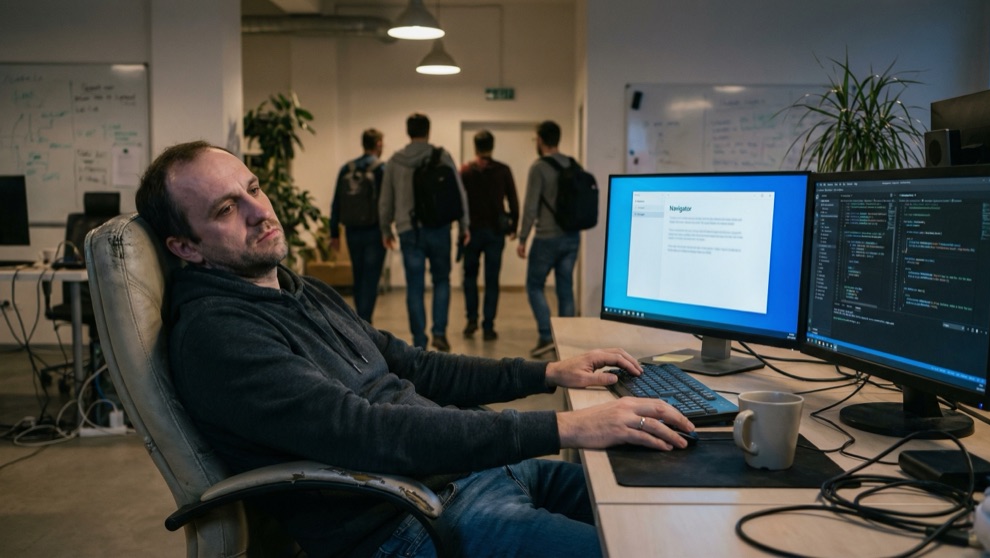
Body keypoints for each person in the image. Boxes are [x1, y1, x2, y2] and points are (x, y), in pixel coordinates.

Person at [135, 141, 695, 558]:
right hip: (414, 517)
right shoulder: (219, 336)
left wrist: (547, 372)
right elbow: (368, 433)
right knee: (643, 549)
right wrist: (566, 427)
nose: (260, 211)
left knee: (675, 512)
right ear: (185, 247)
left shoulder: (298, 289)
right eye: (225, 209)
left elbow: (414, 365)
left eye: (254, 189)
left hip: (471, 474)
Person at [380, 113, 469, 351]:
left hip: (409, 230)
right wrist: (464, 226)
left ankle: (419, 341)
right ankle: (439, 333)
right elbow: (459, 194)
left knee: (415, 286)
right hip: (439, 228)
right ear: (428, 131)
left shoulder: (395, 161)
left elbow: (385, 200)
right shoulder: (442, 156)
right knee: (442, 280)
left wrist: (385, 229)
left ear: (408, 131)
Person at [518, 120, 580, 358]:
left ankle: (546, 336)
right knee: (565, 286)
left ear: (541, 140)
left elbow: (530, 206)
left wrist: (523, 237)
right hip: (572, 237)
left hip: (546, 238)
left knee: (534, 285)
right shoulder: (573, 164)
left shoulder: (539, 167)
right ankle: (566, 340)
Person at [459, 130, 519, 341]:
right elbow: (513, 200)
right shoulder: (503, 170)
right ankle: (488, 326)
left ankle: (471, 321)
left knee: (469, 278)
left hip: (472, 233)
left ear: (475, 147)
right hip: (495, 233)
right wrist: (514, 226)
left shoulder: (465, 171)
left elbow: (459, 202)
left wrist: (461, 228)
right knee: (491, 280)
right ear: (492, 147)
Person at [329, 128, 386, 323]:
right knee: (371, 278)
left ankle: (360, 320)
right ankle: (365, 321)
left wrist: (334, 232)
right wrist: (388, 230)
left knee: (358, 276)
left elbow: (336, 202)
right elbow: (386, 203)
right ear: (378, 144)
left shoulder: (347, 168)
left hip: (352, 231)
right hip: (375, 231)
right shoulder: (381, 169)